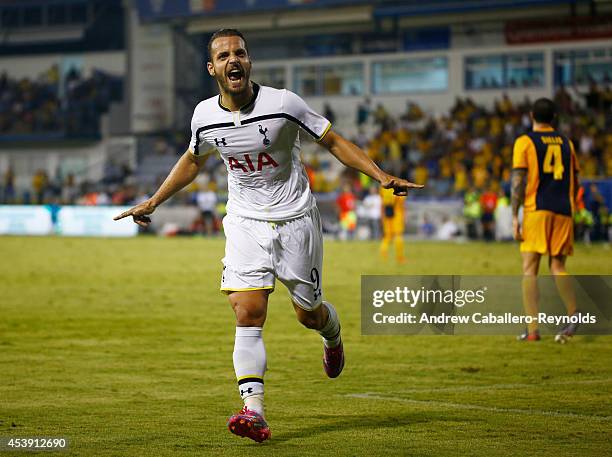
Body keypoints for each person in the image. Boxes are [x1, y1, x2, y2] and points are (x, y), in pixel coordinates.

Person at [114, 29, 423, 443]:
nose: (232, 60)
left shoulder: (283, 104)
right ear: (212, 68)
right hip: (244, 221)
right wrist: (154, 201)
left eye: (239, 52)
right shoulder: (204, 115)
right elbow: (193, 159)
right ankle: (253, 410)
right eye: (223, 55)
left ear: (249, 61)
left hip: (296, 221)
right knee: (247, 311)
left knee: (307, 313)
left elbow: (332, 141)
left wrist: (381, 176)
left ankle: (332, 334)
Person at [511, 98, 580, 343]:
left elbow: (518, 181)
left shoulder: (525, 142)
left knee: (530, 269)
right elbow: (575, 179)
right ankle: (573, 314)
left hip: (536, 210)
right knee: (558, 267)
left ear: (532, 115)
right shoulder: (567, 144)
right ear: (553, 118)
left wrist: (515, 216)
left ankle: (532, 330)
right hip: (563, 209)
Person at [380, 186, 406, 263]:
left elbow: (382, 203)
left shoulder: (383, 188)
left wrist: (382, 216)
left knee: (387, 236)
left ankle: (383, 254)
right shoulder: (400, 187)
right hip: (397, 214)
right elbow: (402, 204)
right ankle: (400, 257)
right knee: (398, 235)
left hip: (387, 215)